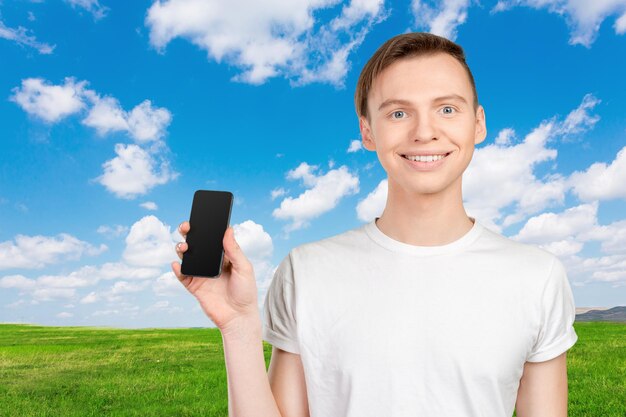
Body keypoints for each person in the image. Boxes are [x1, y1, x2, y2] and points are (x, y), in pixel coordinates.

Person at [171, 32, 578, 417]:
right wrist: (237, 325)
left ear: (478, 123)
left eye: (447, 109)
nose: (424, 132)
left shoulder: (536, 277)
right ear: (368, 130)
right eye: (399, 112)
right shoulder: (307, 271)